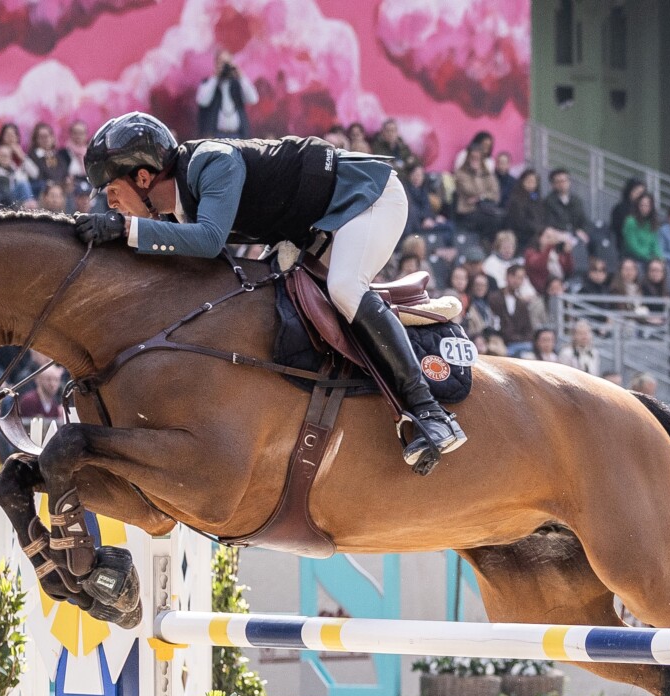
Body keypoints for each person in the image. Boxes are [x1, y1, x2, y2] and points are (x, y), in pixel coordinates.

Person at [75, 112, 464, 470]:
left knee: (344, 288)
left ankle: (429, 411)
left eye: (111, 188)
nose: (109, 203)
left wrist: (126, 231)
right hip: (312, 226)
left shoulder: (212, 162)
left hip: (365, 199)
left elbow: (210, 241)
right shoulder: (180, 207)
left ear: (143, 178)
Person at [196, 51, 259, 139]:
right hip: (215, 136)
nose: (225, 67)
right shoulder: (209, 82)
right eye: (222, 63)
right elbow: (202, 102)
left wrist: (241, 76)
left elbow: (253, 99)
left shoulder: (238, 84)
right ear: (216, 64)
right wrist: (215, 77)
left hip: (238, 136)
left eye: (227, 63)